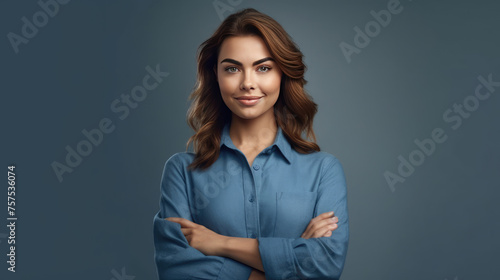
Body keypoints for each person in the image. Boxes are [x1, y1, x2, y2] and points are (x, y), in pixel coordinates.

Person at [153, 8, 349, 280]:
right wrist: (288, 260)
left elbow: (325, 266)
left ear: (282, 73)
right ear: (216, 75)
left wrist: (219, 243)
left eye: (263, 68)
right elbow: (177, 272)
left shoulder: (324, 170)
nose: (247, 83)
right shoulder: (181, 172)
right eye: (232, 68)